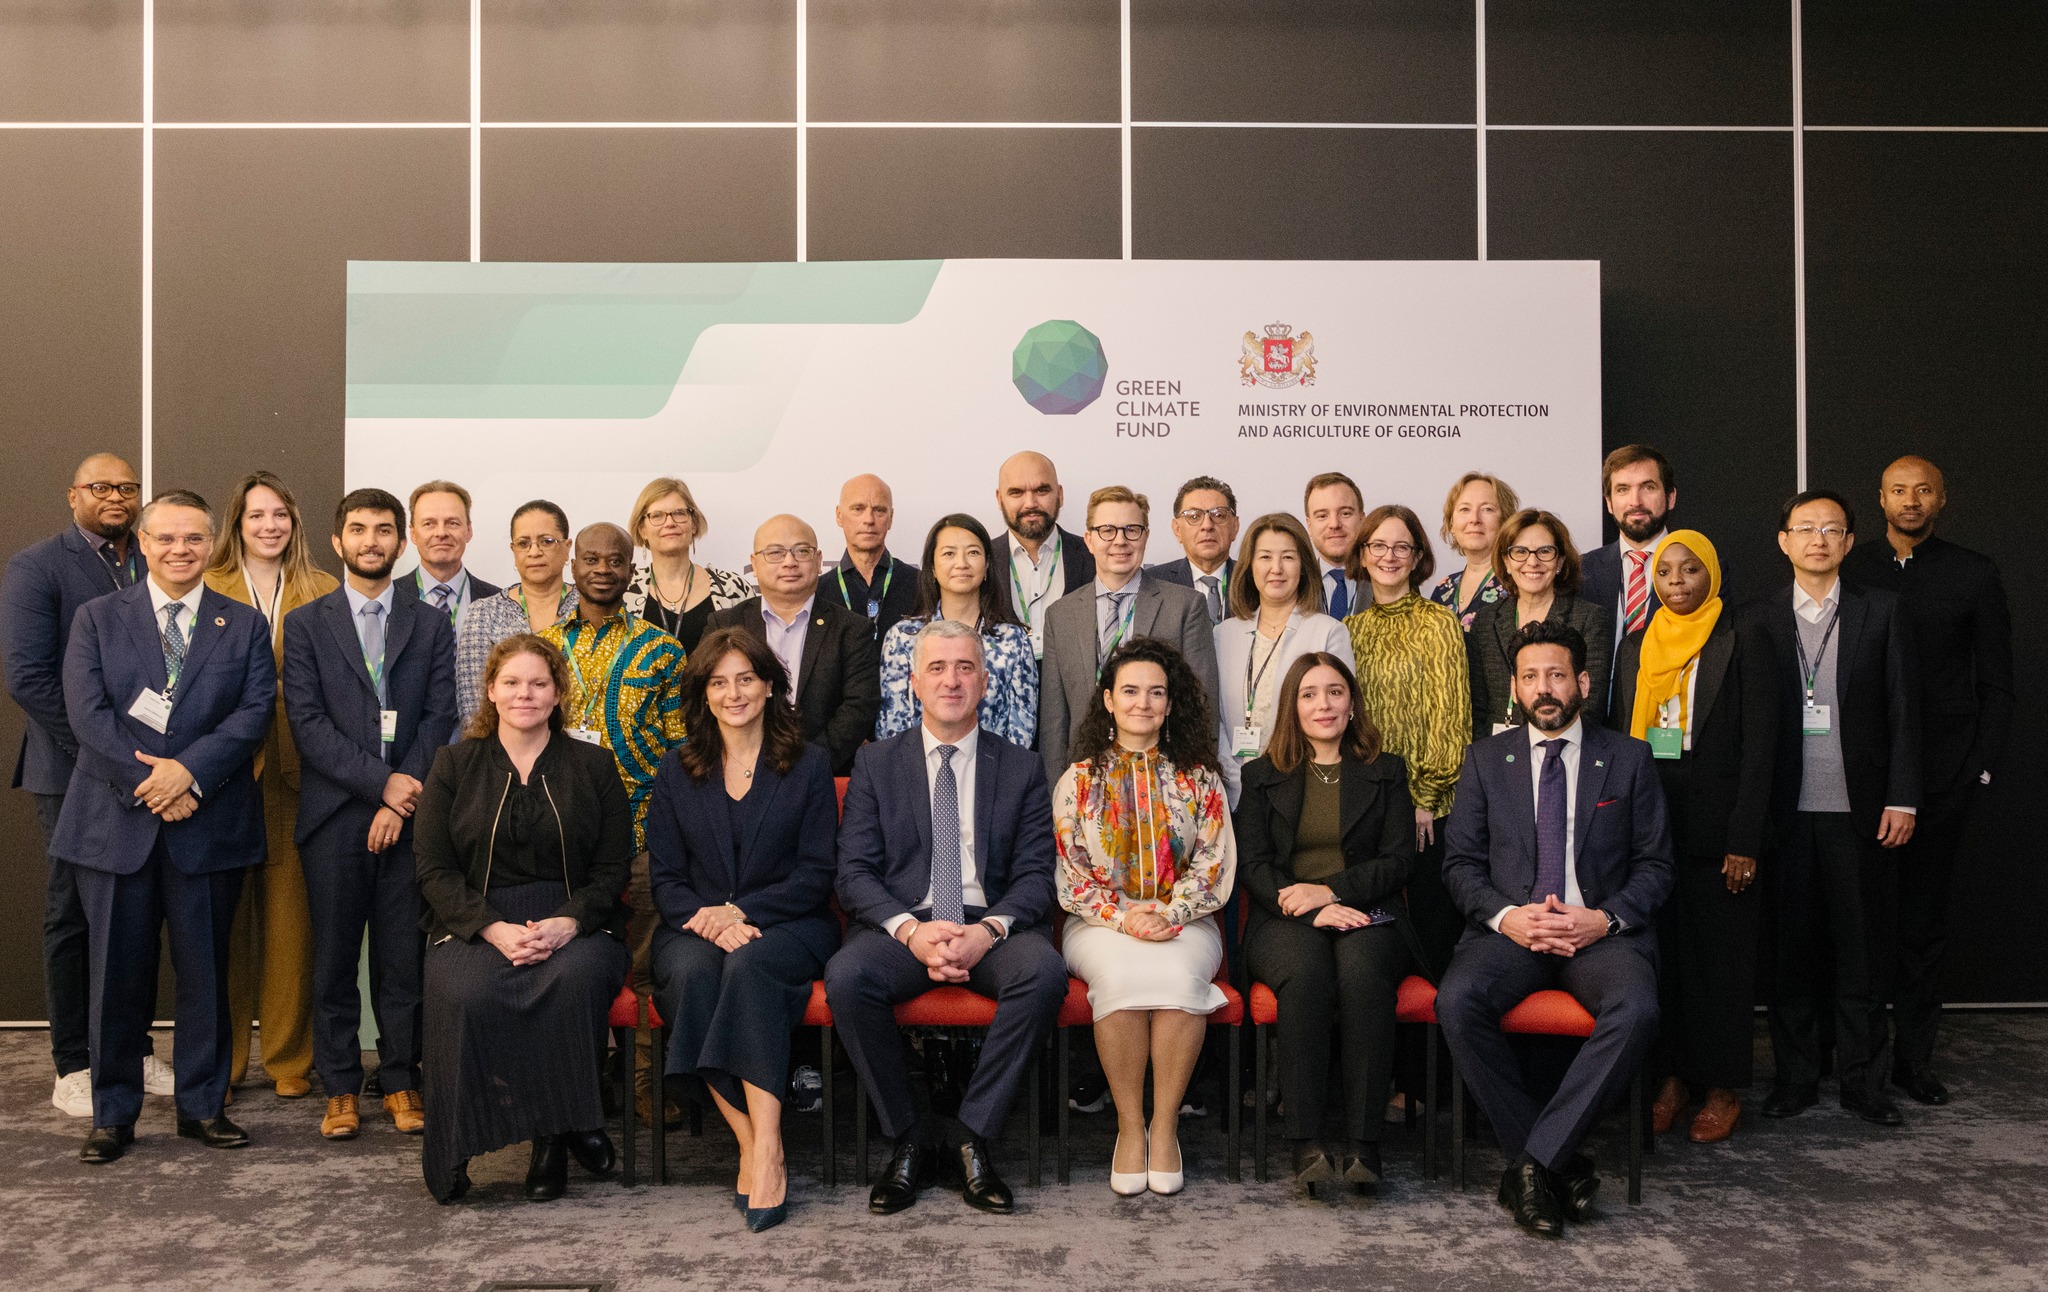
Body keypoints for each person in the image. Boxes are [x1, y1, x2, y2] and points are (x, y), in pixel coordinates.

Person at [55, 490, 276, 1163]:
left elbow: (254, 712)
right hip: (116, 824)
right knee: (115, 977)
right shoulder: (98, 618)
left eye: (194, 538)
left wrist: (189, 774)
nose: (181, 549)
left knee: (206, 975)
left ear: (212, 545)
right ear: (144, 545)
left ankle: (202, 1106)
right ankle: (113, 1113)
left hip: (207, 823)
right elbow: (87, 713)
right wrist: (152, 783)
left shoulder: (243, 624)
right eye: (167, 538)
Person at [1438, 620, 1675, 1240]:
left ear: (1583, 683)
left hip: (1598, 935)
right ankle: (1553, 1162)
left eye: (1557, 675)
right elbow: (1460, 865)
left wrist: (1604, 919)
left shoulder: (1628, 757)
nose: (1544, 688)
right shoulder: (1485, 760)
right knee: (1456, 1002)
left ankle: (1533, 1163)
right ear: (1515, 688)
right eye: (1530, 677)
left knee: (1637, 1008)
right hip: (1512, 935)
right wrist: (1508, 918)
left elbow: (1656, 866)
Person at [825, 619, 1067, 1216]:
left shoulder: (1022, 766)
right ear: (914, 683)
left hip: (991, 924)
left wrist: (986, 932)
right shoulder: (876, 763)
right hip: (904, 925)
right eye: (936, 668)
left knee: (1043, 974)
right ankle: (909, 1135)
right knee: (847, 978)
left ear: (985, 681)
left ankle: (969, 1134)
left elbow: (1037, 876)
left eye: (964, 668)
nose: (951, 681)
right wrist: (911, 932)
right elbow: (854, 873)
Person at [413, 634, 634, 1203]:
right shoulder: (453, 764)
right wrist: (491, 927)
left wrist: (568, 922)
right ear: (491, 690)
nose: (525, 694)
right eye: (511, 683)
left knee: (572, 981)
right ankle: (463, 1144)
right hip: (476, 919)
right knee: (465, 992)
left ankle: (552, 1138)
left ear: (558, 694)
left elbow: (613, 868)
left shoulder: (594, 765)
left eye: (539, 683)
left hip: (577, 920)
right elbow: (434, 869)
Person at [646, 629, 840, 1232]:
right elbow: (666, 878)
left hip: (790, 923)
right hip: (693, 927)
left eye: (746, 679)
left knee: (750, 966)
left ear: (769, 685)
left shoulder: (809, 764)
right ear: (703, 694)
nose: (734, 693)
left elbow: (816, 873)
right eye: (719, 682)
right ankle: (753, 1142)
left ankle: (769, 1147)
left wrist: (741, 912)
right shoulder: (676, 768)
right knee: (692, 974)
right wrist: (712, 921)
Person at [281, 488, 457, 1141]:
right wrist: (385, 787)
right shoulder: (306, 624)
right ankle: (339, 1088)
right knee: (333, 960)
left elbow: (439, 716)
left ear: (400, 543)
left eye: (384, 530)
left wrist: (402, 798)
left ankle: (401, 1079)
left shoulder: (430, 624)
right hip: (334, 818)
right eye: (358, 529)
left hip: (410, 821)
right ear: (338, 541)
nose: (371, 541)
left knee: (400, 959)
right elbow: (308, 725)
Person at [1841, 455, 2011, 1106]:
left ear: (1942, 500)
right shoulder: (1851, 568)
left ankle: (1913, 1061)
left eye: (1923, 491)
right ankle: (1854, 1061)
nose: (1910, 500)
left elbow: (1997, 683)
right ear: (1879, 500)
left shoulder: (1974, 574)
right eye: (1898, 490)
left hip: (1943, 779)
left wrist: (1977, 769)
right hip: (1859, 777)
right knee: (1860, 927)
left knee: (1922, 926)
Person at [0, 452, 166, 1117]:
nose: (116, 496)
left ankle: (131, 1049)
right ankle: (74, 1061)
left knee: (136, 910)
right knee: (72, 912)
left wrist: (139, 759)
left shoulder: (151, 560)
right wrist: (103, 751)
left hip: (147, 769)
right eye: (101, 487)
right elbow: (27, 677)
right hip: (71, 770)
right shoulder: (38, 566)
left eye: (127, 487)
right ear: (73, 495)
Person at [1754, 489, 1920, 1128]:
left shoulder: (1882, 610)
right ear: (1784, 541)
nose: (1818, 539)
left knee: (1862, 955)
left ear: (1849, 542)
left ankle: (1863, 1082)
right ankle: (1796, 1078)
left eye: (1832, 529)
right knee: (1791, 955)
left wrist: (1902, 796)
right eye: (1805, 528)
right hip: (1786, 815)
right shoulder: (1757, 617)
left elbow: (1905, 710)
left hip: (1862, 812)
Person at [1610, 531, 1777, 1143]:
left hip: (1722, 824)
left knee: (1721, 960)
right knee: (1665, 957)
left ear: (1713, 574)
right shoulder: (1636, 644)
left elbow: (1763, 744)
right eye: (1665, 572)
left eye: (1690, 570)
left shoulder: (1743, 634)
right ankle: (1673, 1080)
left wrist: (1746, 838)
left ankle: (1722, 1086)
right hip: (1652, 817)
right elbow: (1621, 739)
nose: (1677, 582)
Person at [1054, 638, 1236, 1197]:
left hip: (1189, 920)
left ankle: (1165, 1126)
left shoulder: (1201, 778)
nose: (1143, 702)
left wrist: (1171, 913)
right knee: (1122, 977)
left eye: (1156, 692)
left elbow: (1213, 862)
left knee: (1179, 978)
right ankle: (1130, 1127)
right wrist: (1123, 917)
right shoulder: (1078, 780)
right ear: (1108, 700)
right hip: (1097, 924)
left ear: (1171, 703)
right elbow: (1072, 876)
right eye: (1130, 691)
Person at [1237, 652, 1416, 1192]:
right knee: (1307, 976)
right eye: (1310, 694)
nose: (1324, 704)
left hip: (1368, 910)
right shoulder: (1261, 775)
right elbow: (1254, 865)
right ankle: (1305, 1142)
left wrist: (1334, 891)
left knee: (1363, 975)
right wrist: (1313, 906)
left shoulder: (1387, 771)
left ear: (1352, 702)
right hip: (1284, 915)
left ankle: (1364, 1145)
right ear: (1292, 706)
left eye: (1335, 692)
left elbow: (1398, 860)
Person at [540, 522, 688, 1128]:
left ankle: (644, 1084)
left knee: (647, 967)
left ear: (634, 569)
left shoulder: (664, 651)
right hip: (562, 837)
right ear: (572, 564)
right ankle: (574, 1087)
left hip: (645, 834)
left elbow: (681, 751)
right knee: (566, 966)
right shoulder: (541, 648)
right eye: (592, 558)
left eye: (617, 560)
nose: (603, 569)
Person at [204, 471, 338, 1101]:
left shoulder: (323, 588)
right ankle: (223, 1064)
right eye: (256, 515)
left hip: (299, 773)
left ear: (295, 521)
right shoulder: (206, 584)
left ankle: (288, 1059)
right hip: (223, 775)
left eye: (280, 514)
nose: (269, 526)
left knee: (291, 927)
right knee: (222, 927)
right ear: (237, 523)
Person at [1343, 503, 1471, 971]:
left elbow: (1450, 718)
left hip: (1427, 809)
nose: (1389, 556)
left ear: (1417, 557)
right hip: (1369, 801)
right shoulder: (1349, 630)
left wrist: (1424, 798)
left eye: (1402, 547)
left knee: (1432, 932)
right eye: (1378, 545)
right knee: (1375, 935)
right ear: (1362, 554)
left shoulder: (1439, 622)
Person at [1038, 486, 1219, 784]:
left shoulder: (1186, 606)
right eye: (1107, 530)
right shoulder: (1060, 615)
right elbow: (1054, 723)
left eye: (1131, 530)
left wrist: (1195, 783)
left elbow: (1203, 706)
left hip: (1168, 779)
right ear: (1089, 540)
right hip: (1086, 778)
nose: (1120, 541)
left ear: (1145, 536)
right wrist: (1057, 792)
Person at [706, 515, 880, 776]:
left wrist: (807, 769)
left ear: (819, 561)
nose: (789, 562)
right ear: (754, 563)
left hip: (824, 776)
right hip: (736, 774)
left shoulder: (852, 630)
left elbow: (859, 707)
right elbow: (704, 696)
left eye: (802, 551)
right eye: (775, 552)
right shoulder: (725, 624)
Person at [1212, 512, 1354, 805]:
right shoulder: (1223, 634)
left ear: (1303, 566)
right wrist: (1238, 779)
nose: (1276, 568)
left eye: (1288, 557)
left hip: (1302, 791)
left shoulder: (1328, 632)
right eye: (1265, 557)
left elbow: (1335, 720)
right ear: (1249, 565)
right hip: (1234, 791)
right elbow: (1216, 720)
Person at [876, 513, 1036, 747]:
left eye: (973, 553)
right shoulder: (902, 638)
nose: (962, 563)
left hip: (994, 766)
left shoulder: (1012, 640)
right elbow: (892, 727)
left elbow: (1022, 728)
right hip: (918, 766)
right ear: (931, 567)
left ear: (987, 564)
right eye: (949, 554)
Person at [1468, 509, 1614, 738]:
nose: (1532, 562)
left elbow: (1590, 705)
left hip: (1564, 749)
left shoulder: (1590, 618)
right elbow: (1478, 708)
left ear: (1560, 561)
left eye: (1545, 552)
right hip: (1498, 751)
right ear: (1506, 562)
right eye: (1520, 552)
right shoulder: (1486, 620)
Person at [456, 500, 578, 729]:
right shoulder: (485, 613)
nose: (534, 552)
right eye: (524, 543)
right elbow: (473, 706)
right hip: (502, 744)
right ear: (513, 550)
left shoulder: (587, 606)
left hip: (581, 741)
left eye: (546, 541)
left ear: (567, 547)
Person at [620, 476, 751, 655]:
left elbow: (753, 659)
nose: (670, 523)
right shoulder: (624, 590)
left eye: (679, 513)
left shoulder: (733, 589)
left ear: (694, 523)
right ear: (642, 529)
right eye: (657, 516)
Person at [987, 451, 1096, 660]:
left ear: (1060, 495)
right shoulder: (981, 560)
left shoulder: (1093, 556)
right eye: (1016, 493)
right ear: (1000, 499)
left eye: (1041, 490)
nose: (1030, 503)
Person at [1582, 445, 1676, 651]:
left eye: (1648, 487)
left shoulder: (1702, 569)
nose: (1635, 501)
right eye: (1623, 489)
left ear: (1670, 498)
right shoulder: (1583, 570)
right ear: (1609, 503)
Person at [818, 473, 921, 646]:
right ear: (839, 515)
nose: (869, 520)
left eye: (879, 510)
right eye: (858, 509)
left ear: (891, 518)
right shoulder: (817, 592)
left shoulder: (921, 585)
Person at [395, 480, 500, 631]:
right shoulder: (390, 598)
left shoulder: (498, 601)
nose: (441, 533)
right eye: (429, 523)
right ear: (413, 533)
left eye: (452, 523)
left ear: (468, 531)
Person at [1429, 471, 1520, 631]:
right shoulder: (1444, 589)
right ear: (1451, 524)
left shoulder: (1517, 583)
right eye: (1465, 509)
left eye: (1487, 509)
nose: (1474, 519)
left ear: (1505, 521)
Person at [1146, 476, 1240, 625]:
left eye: (1219, 515)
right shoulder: (1152, 582)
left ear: (1234, 527)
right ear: (1177, 529)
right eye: (1194, 516)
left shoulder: (1253, 580)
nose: (1207, 526)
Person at [1303, 472, 1365, 620]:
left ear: (1362, 520)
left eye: (1345, 513)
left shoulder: (1389, 579)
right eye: (1322, 516)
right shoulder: (1294, 586)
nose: (1334, 524)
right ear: (1309, 525)